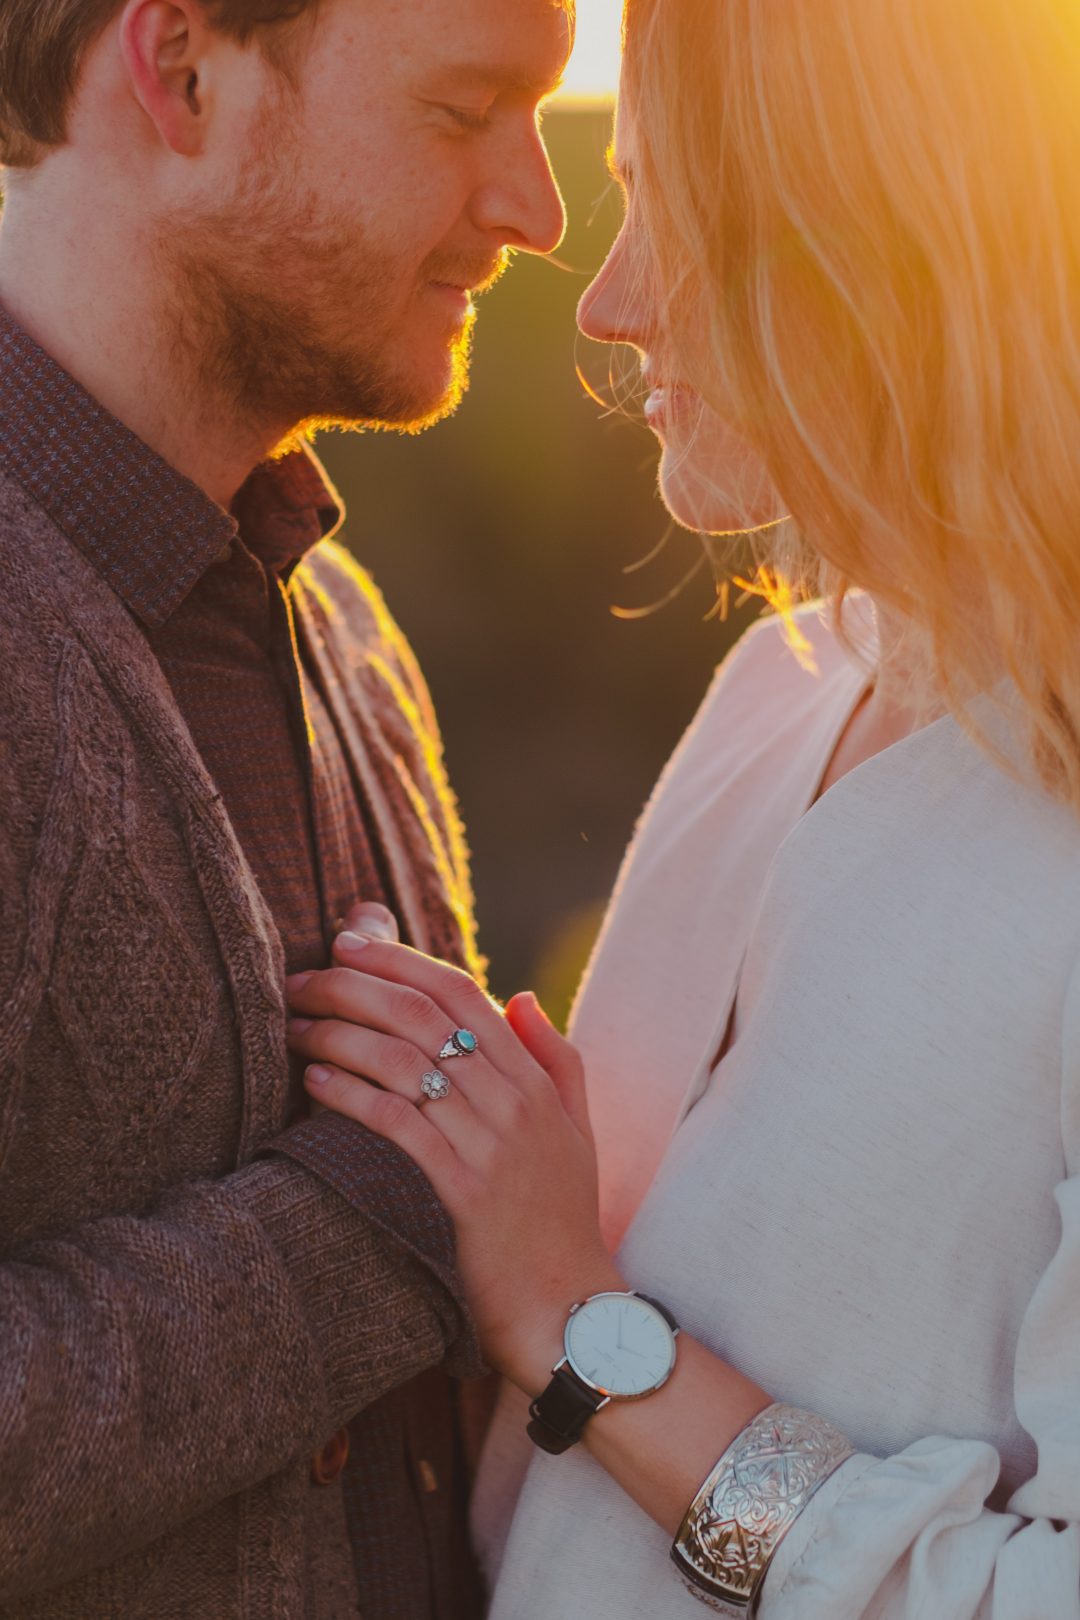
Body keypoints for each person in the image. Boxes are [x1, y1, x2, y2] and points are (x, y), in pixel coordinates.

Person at [287, 0, 1080, 1614]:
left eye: (674, 217)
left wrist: (579, 1327)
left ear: (876, 251)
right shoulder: (778, 692)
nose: (611, 303)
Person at [0, 0, 569, 1613]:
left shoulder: (343, 631)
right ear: (181, 70)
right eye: (467, 112)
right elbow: (403, 1212)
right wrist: (390, 1222)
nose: (536, 206)